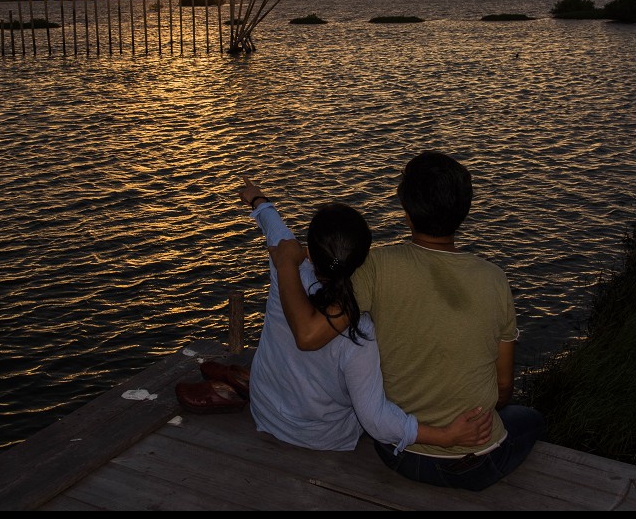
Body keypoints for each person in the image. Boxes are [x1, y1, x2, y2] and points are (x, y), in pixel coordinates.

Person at [269, 151, 545, 491]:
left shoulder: (377, 267)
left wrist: (285, 264)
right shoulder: (495, 280)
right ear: (465, 210)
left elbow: (309, 335)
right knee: (529, 419)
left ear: (406, 212)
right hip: (474, 463)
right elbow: (503, 389)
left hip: (398, 454)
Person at [231, 177, 493, 454]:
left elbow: (276, 230)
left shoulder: (286, 270)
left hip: (266, 413)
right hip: (323, 437)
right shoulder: (360, 331)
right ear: (362, 259)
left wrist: (256, 199)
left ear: (309, 248)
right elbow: (375, 419)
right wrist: (445, 436)